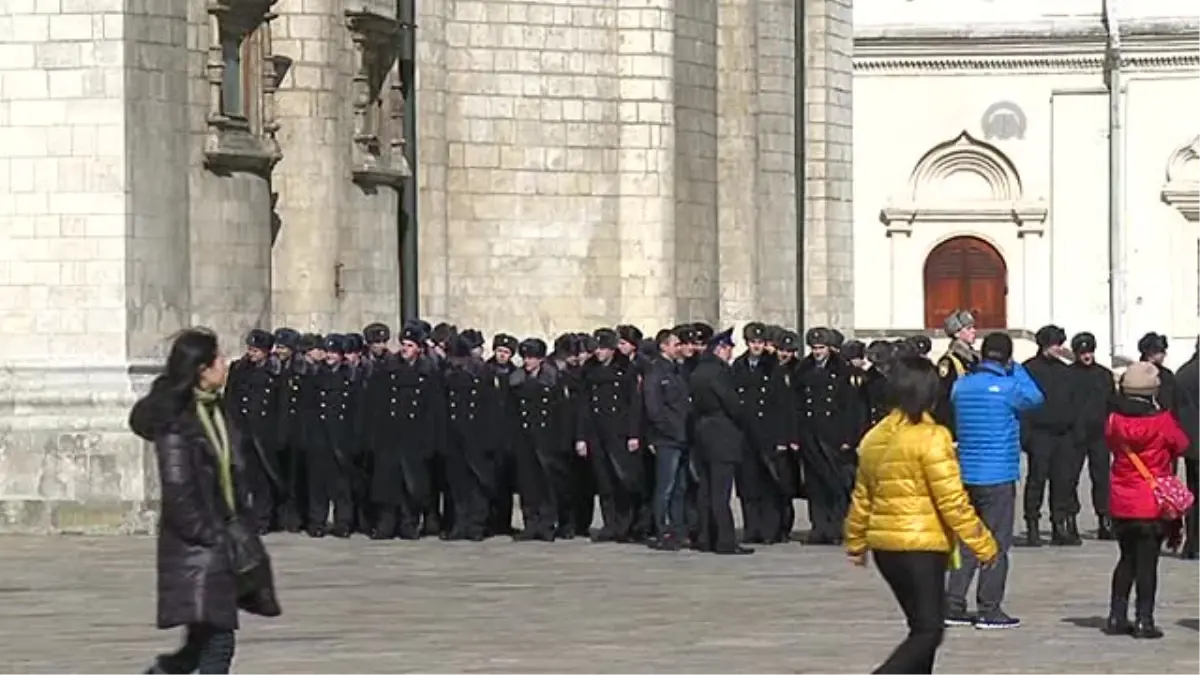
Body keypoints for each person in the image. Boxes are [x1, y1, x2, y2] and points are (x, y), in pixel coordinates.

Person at [129, 328, 280, 675]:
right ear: (201, 368)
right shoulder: (178, 422)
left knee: (200, 644)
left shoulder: (214, 409)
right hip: (198, 548)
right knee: (218, 642)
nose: (225, 365)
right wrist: (213, 535)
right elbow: (179, 491)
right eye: (218, 359)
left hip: (220, 539)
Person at [845, 356, 998, 675]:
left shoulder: (873, 437)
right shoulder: (932, 437)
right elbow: (952, 500)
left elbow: (862, 497)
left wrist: (857, 542)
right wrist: (983, 544)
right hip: (921, 546)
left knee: (920, 628)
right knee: (929, 630)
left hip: (886, 548)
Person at [946, 332, 1044, 629]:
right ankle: (989, 607)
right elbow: (1036, 397)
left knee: (967, 539)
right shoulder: (1009, 387)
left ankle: (952, 602)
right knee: (997, 544)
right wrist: (1017, 368)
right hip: (998, 473)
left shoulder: (961, 386)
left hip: (967, 472)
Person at [1104, 362, 1190, 639]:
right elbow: (1182, 444)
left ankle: (1116, 616)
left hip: (1122, 498)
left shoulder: (1114, 420)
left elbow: (1109, 442)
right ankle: (1144, 620)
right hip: (1152, 502)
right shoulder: (1161, 420)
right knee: (1147, 563)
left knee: (1126, 558)